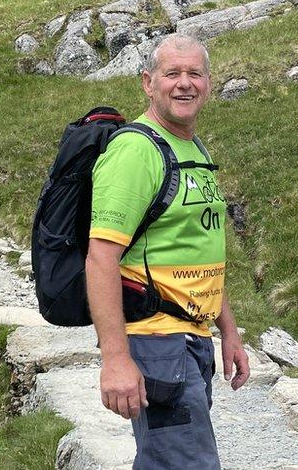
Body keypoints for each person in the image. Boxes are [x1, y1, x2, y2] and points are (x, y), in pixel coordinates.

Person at [86, 34, 250, 469]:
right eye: (172, 73)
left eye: (194, 73)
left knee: (170, 461)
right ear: (148, 82)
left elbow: (199, 249)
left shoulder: (193, 148)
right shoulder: (136, 151)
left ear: (209, 83)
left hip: (192, 339)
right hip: (155, 342)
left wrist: (228, 330)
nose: (184, 84)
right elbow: (100, 258)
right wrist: (116, 359)